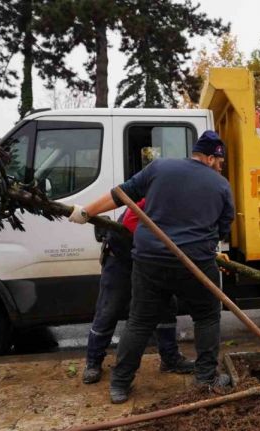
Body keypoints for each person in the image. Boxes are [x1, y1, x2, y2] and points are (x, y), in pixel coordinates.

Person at [68, 130, 235, 403]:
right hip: (194, 262)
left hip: (150, 260)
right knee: (207, 316)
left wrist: (86, 212)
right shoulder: (221, 185)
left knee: (140, 320)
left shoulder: (159, 167)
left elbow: (120, 194)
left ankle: (120, 384)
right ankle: (206, 379)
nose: (219, 167)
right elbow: (223, 228)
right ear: (208, 157)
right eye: (219, 162)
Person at [82, 198, 195, 384]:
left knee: (165, 306)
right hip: (121, 257)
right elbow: (130, 223)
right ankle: (93, 362)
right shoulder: (154, 193)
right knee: (109, 309)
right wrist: (162, 243)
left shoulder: (184, 200)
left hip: (152, 258)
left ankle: (170, 358)